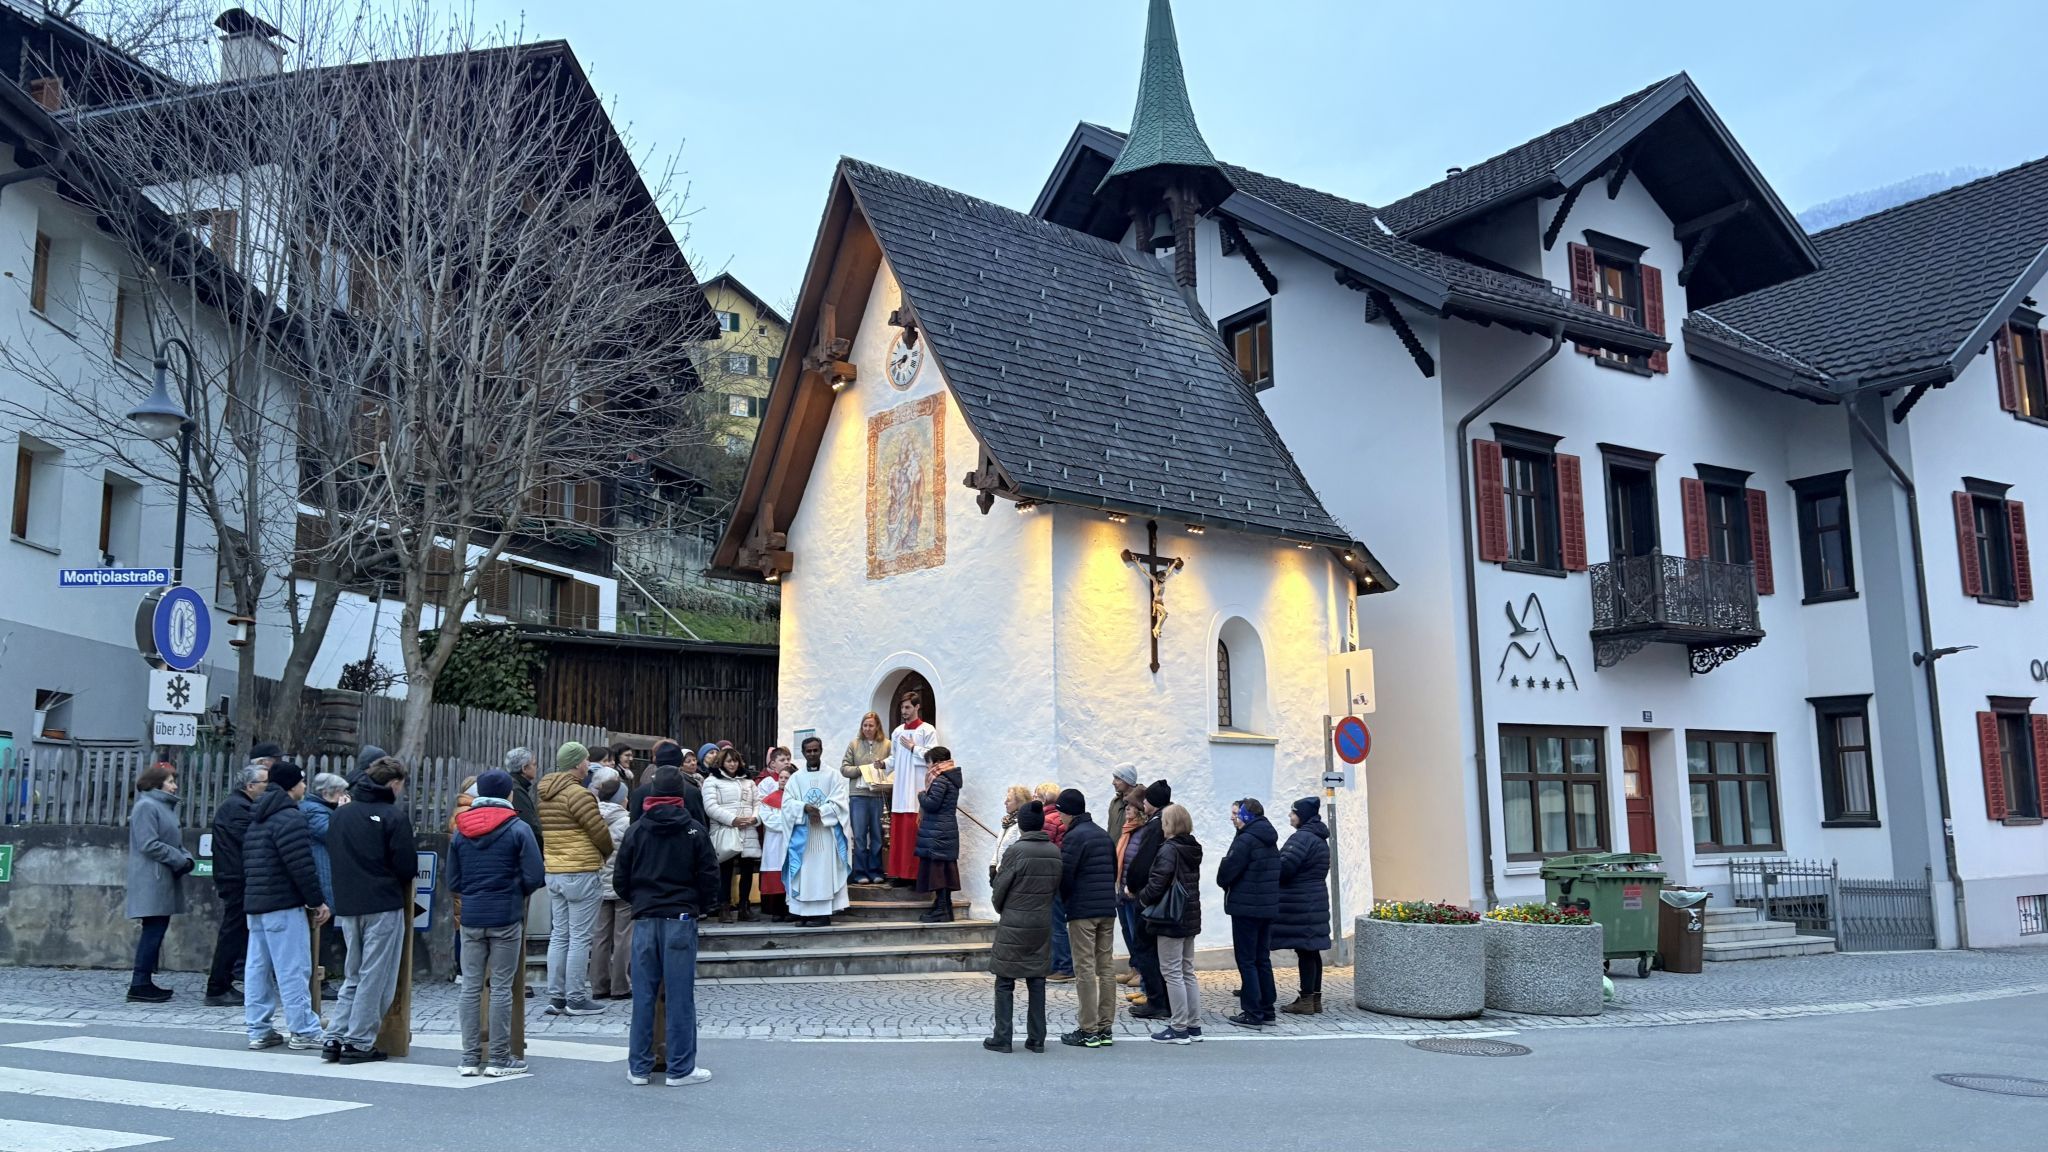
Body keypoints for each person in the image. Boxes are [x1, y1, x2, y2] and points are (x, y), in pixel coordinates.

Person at [613, 765, 721, 1087]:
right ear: (681, 795)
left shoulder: (636, 830)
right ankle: (680, 1068)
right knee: (679, 996)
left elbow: (621, 879)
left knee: (644, 995)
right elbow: (709, 876)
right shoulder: (693, 830)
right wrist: (701, 906)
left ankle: (639, 1067)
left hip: (645, 919)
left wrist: (641, 900)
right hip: (680, 918)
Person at [448, 769, 545, 1077]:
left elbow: (453, 879)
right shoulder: (518, 828)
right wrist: (515, 890)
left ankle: (469, 1057)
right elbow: (535, 875)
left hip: (472, 916)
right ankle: (499, 1058)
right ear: (509, 795)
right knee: (501, 987)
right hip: (505, 914)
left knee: (470, 987)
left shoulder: (462, 830)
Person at [323, 756, 418, 1064]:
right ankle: (358, 1041)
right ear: (394, 784)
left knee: (353, 973)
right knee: (375, 975)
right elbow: (406, 867)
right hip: (382, 902)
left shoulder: (341, 814)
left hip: (348, 903)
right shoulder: (392, 816)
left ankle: (335, 1036)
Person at [239, 763, 329, 1051]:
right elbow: (301, 866)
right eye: (302, 782)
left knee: (257, 968)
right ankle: (303, 1029)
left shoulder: (258, 816)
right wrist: (316, 901)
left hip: (257, 902)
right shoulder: (290, 817)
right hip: (283, 903)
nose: (305, 787)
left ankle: (259, 1028)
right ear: (292, 786)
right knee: (293, 968)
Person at [538, 741, 613, 1017]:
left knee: (559, 935)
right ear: (577, 763)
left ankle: (556, 997)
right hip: (581, 870)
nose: (587, 766)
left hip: (555, 870)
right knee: (580, 938)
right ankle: (576, 999)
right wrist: (606, 853)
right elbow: (600, 833)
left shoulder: (545, 793)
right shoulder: (578, 794)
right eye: (584, 761)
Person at [985, 800, 1062, 1054]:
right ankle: (1037, 1038)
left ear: (1022, 826)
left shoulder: (1017, 851)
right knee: (1037, 980)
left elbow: (1000, 888)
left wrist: (1000, 907)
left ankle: (1003, 1037)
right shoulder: (1053, 851)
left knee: (1005, 980)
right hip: (1041, 922)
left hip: (1014, 923)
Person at [125, 762, 193, 1003]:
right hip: (151, 877)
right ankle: (140, 982)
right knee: (153, 929)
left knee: (157, 928)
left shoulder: (163, 807)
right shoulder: (147, 806)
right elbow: (149, 843)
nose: (174, 786)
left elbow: (172, 841)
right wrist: (179, 859)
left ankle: (143, 981)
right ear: (157, 783)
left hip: (162, 875)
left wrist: (186, 858)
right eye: (170, 781)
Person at [1055, 788, 1117, 1048]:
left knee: (1085, 969)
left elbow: (1065, 876)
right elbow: (1113, 868)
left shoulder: (1074, 837)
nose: (1059, 817)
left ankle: (1088, 1029)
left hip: (1083, 911)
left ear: (1068, 812)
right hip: (1106, 909)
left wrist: (1066, 902)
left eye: (1060, 812)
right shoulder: (1102, 834)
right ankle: (1105, 1028)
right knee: (1107, 967)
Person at [203, 762, 268, 1006]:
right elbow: (250, 841)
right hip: (236, 878)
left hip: (235, 876)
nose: (268, 787)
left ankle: (222, 983)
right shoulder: (238, 808)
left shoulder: (239, 805)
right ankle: (218, 986)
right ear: (251, 786)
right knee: (232, 932)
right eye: (265, 783)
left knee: (236, 931)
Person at [1140, 803, 1204, 1044]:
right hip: (1189, 915)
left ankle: (1178, 1027)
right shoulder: (1192, 847)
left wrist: (1142, 899)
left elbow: (1158, 883)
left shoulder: (1169, 849)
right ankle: (1194, 1025)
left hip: (1170, 917)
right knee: (1187, 970)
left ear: (1170, 824)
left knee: (1172, 972)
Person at [1217, 798, 1281, 1028]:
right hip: (1266, 908)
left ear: (1247, 815)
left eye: (1236, 813)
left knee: (1247, 960)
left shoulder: (1245, 841)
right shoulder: (1268, 838)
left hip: (1246, 908)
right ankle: (1268, 1010)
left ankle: (1253, 1012)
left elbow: (1226, 872)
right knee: (1262, 958)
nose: (1232, 817)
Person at [782, 736, 851, 926]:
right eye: (808, 751)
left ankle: (823, 915)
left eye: (815, 750)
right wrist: (804, 808)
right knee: (804, 873)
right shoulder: (795, 778)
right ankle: (805, 913)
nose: (812, 754)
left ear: (821, 750)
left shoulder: (833, 775)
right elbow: (786, 803)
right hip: (804, 834)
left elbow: (841, 801)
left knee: (823, 872)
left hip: (826, 833)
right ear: (803, 753)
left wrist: (822, 812)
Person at [1275, 797, 1332, 1015]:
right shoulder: (1318, 838)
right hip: (1315, 899)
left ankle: (1307, 999)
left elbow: (1284, 868)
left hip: (1301, 902)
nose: (1290, 816)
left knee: (1305, 952)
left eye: (1293, 812)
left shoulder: (1301, 838)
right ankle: (1314, 998)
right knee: (1311, 951)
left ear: (1303, 815)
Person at [1122, 780, 1172, 1019]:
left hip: (1147, 895)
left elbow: (1143, 862)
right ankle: (1164, 999)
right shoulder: (1167, 821)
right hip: (1159, 895)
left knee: (1146, 948)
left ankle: (1157, 1001)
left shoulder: (1154, 826)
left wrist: (1131, 885)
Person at [302, 773, 351, 1000]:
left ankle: (319, 980)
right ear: (326, 793)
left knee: (324, 934)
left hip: (326, 878)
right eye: (341, 792)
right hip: (321, 880)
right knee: (320, 935)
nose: (345, 796)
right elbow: (332, 834)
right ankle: (317, 983)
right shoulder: (313, 811)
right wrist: (343, 813)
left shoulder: (320, 809)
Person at [590, 768, 635, 1000]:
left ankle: (598, 985)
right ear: (621, 799)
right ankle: (620, 985)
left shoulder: (589, 817)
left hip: (598, 882)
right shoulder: (627, 822)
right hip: (622, 883)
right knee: (623, 935)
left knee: (600, 935)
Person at [702, 748, 761, 922]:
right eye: (729, 761)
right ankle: (724, 907)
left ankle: (744, 907)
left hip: (747, 829)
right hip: (726, 829)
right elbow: (710, 806)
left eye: (735, 761)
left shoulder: (748, 781)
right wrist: (732, 819)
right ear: (721, 762)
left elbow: (758, 802)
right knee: (725, 871)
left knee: (747, 869)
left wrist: (754, 818)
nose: (733, 764)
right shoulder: (712, 781)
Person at [885, 692, 938, 884]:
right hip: (900, 788)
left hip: (916, 786)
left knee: (913, 831)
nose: (904, 711)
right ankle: (899, 873)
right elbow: (894, 758)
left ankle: (915, 875)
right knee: (899, 832)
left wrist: (914, 748)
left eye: (908, 707)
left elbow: (934, 757)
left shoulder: (927, 730)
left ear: (917, 707)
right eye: (902, 707)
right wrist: (883, 765)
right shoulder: (898, 731)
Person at [839, 712, 890, 883]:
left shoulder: (886, 744)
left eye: (871, 725)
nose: (867, 729)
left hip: (877, 794)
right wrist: (861, 769)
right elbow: (844, 768)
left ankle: (876, 871)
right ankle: (860, 872)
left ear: (877, 727)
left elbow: (891, 767)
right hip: (858, 795)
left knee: (877, 834)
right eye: (865, 725)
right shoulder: (854, 744)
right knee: (859, 835)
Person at [915, 747, 962, 923]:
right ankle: (944, 907)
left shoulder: (941, 779)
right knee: (944, 870)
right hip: (945, 829)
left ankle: (942, 910)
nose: (928, 767)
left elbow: (932, 804)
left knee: (938, 872)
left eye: (928, 762)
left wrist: (921, 796)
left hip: (938, 830)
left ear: (936, 762)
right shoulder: (951, 777)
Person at [1104, 764, 1140, 988]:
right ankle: (1133, 966)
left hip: (1130, 866)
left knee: (1134, 923)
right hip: (1116, 866)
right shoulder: (1116, 802)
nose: (1114, 782)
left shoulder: (1138, 799)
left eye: (1117, 778)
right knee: (1125, 924)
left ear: (1128, 779)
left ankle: (1141, 969)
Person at [1035, 782, 1073, 982]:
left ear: (1042, 799)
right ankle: (1061, 963)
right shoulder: (1060, 817)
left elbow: (1044, 847)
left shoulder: (1046, 820)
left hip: (1052, 876)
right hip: (1064, 874)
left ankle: (1063, 965)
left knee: (1055, 922)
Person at [630, 741, 709, 827]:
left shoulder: (639, 793)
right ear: (680, 762)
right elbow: (700, 828)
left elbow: (634, 827)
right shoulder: (693, 793)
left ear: (656, 761)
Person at [756, 748, 793, 921]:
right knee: (775, 872)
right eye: (782, 759)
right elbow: (768, 818)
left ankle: (789, 909)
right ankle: (776, 910)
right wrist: (785, 824)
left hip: (791, 840)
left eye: (788, 759)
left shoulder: (794, 793)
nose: (782, 780)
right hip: (774, 840)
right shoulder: (768, 789)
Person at [502, 748, 546, 853]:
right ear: (524, 768)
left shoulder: (512, 785)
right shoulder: (516, 790)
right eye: (534, 764)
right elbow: (529, 825)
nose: (536, 768)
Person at [988, 785, 1031, 885]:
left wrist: (1001, 870)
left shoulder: (1021, 823)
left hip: (1009, 874)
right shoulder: (1008, 821)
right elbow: (1000, 846)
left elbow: (1018, 853)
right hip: (1000, 872)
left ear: (1019, 803)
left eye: (1009, 800)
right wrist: (993, 865)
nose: (1005, 803)